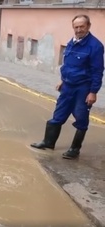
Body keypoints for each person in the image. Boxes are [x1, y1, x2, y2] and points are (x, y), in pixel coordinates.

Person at [30, 14, 104, 160]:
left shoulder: (95, 46)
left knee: (81, 118)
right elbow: (68, 65)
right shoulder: (72, 42)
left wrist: (93, 92)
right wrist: (63, 80)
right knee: (58, 114)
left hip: (83, 88)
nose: (78, 30)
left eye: (82, 26)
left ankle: (75, 149)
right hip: (68, 87)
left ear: (88, 26)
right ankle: (48, 142)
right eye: (76, 27)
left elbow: (97, 71)